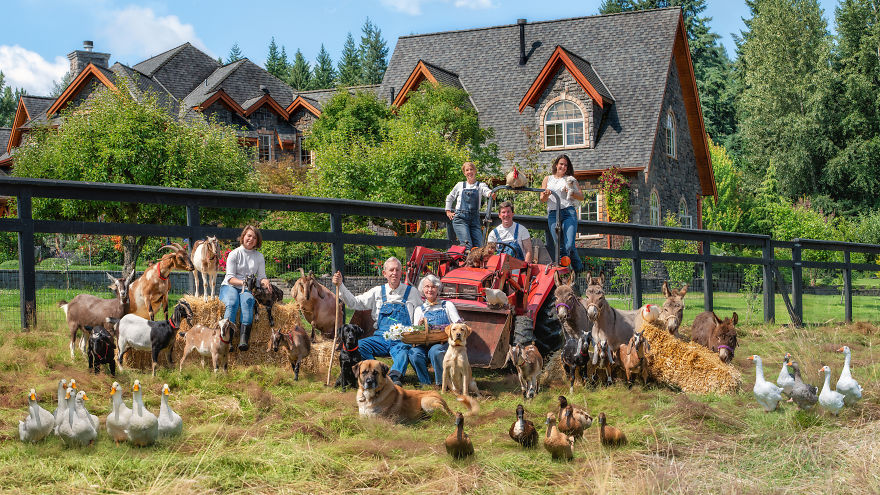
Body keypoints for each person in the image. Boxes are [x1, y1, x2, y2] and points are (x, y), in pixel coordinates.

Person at [331, 257, 424, 386]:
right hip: (380, 338)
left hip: (402, 338)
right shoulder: (377, 292)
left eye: (397, 270)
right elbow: (354, 303)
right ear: (384, 273)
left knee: (403, 352)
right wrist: (340, 285)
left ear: (401, 272)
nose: (394, 273)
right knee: (360, 346)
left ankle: (394, 377)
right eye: (391, 270)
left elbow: (421, 312)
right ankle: (377, 372)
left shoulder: (412, 292)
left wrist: (419, 324)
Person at [220, 225, 271, 351]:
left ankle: (243, 340)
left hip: (247, 288)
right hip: (230, 286)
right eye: (249, 236)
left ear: (257, 241)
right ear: (243, 236)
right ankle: (227, 340)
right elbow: (230, 278)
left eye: (254, 237)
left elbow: (261, 277)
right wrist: (244, 282)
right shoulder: (234, 254)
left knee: (247, 303)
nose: (251, 239)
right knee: (232, 303)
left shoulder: (259, 256)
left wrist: (265, 282)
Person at [407, 274, 463, 387]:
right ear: (422, 289)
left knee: (435, 351)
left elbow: (458, 324)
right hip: (424, 343)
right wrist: (419, 326)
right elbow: (416, 332)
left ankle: (441, 383)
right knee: (414, 353)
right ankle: (425, 382)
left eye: (433, 287)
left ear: (438, 289)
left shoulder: (447, 305)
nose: (430, 289)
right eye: (427, 286)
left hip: (444, 342)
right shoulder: (419, 309)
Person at [540, 154, 585, 272]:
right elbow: (542, 199)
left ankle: (578, 270)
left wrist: (571, 191)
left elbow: (581, 197)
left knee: (569, 245)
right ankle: (565, 274)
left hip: (568, 212)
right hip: (553, 214)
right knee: (559, 246)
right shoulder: (547, 179)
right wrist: (546, 194)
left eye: (566, 165)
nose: (563, 167)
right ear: (556, 165)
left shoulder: (570, 179)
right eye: (561, 164)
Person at [445, 161, 493, 249]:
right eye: (467, 170)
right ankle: (463, 258)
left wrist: (491, 194)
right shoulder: (460, 185)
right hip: (460, 219)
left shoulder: (481, 185)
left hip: (474, 220)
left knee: (480, 247)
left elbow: (487, 191)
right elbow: (450, 197)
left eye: (471, 169)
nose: (469, 172)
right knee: (467, 245)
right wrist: (448, 211)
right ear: (464, 173)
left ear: (475, 171)